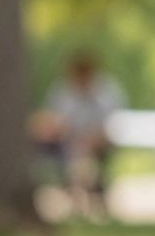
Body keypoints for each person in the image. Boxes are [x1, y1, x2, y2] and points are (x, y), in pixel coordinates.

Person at [44, 52, 124, 220]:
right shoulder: (63, 91)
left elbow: (111, 122)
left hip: (99, 141)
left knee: (86, 156)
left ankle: (84, 197)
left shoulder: (106, 90)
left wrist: (89, 140)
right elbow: (58, 119)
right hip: (69, 141)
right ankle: (78, 198)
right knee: (73, 155)